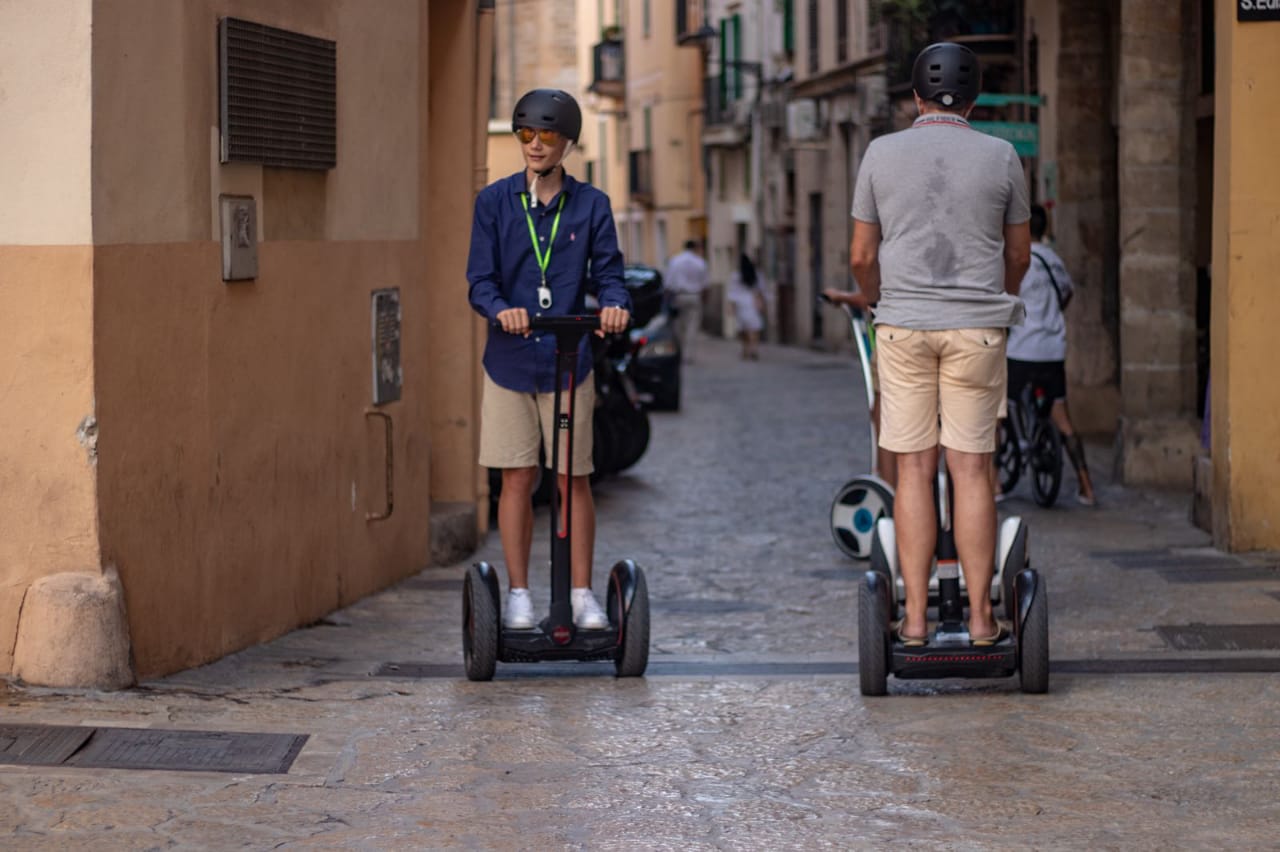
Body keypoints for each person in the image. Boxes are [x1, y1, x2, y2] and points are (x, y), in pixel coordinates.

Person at [849, 42, 1031, 647]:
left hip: (903, 326)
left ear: (915, 98)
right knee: (973, 471)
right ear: (975, 97)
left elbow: (861, 255)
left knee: (914, 472)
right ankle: (982, 619)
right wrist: (992, 300)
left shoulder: (880, 153)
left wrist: (879, 300)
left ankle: (918, 621)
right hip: (977, 329)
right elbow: (1019, 254)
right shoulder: (1003, 155)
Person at [467, 88, 632, 630]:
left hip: (568, 361)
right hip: (509, 363)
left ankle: (582, 595)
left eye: (547, 136)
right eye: (526, 134)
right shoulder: (494, 203)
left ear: (567, 142)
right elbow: (480, 280)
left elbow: (609, 273)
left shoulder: (592, 205)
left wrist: (613, 306)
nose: (535, 145)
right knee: (517, 477)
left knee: (572, 477)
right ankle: (518, 593)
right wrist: (500, 310)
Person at [1005, 204, 1096, 505]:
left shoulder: (1018, 261)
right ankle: (1086, 486)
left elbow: (1006, 299)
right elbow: (1066, 293)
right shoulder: (1054, 261)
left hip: (1022, 349)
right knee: (1063, 418)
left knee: (998, 410)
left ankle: (995, 482)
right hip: (1052, 350)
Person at [822, 287, 898, 488]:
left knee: (886, 414)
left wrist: (843, 297)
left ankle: (889, 493)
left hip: (901, 331)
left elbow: (866, 271)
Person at [663, 239, 709, 363]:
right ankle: (688, 355)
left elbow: (668, 283)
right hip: (694, 296)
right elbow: (705, 284)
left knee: (679, 326)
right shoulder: (700, 262)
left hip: (678, 296)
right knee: (692, 327)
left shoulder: (675, 261)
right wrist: (704, 299)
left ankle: (680, 351)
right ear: (695, 248)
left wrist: (667, 300)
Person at [727, 253, 767, 360]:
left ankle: (745, 349)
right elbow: (761, 290)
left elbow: (732, 292)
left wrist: (731, 306)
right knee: (754, 327)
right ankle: (754, 348)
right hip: (752, 302)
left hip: (741, 303)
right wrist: (761, 302)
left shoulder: (736, 275)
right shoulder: (757, 274)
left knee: (744, 328)